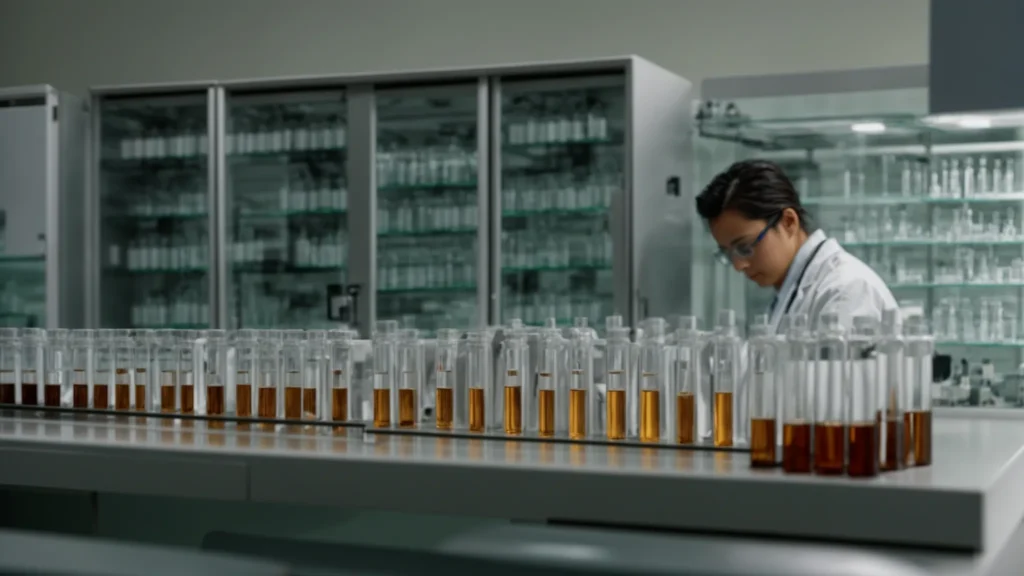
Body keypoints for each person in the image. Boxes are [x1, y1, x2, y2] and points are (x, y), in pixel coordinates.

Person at [695, 159, 896, 333]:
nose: (739, 265)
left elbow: (839, 376)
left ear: (788, 222)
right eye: (727, 254)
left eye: (745, 247)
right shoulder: (788, 290)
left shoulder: (846, 291)